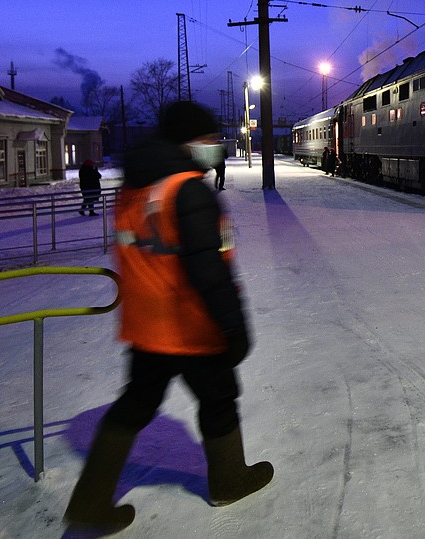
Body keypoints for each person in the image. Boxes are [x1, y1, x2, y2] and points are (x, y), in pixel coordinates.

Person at [64, 101, 273, 533]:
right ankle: (229, 480)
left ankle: (89, 502)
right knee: (218, 399)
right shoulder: (187, 190)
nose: (216, 146)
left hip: (146, 325)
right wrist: (234, 325)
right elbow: (208, 268)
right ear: (188, 142)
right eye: (210, 139)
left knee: (135, 404)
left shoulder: (135, 188)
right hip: (192, 325)